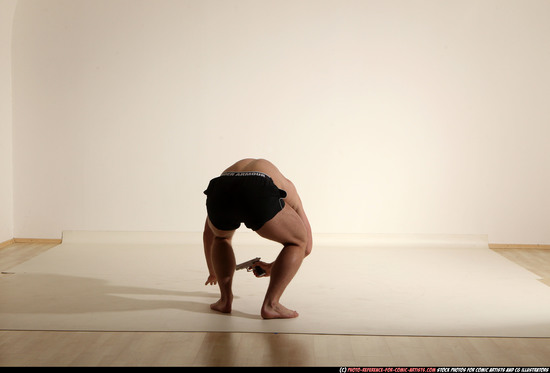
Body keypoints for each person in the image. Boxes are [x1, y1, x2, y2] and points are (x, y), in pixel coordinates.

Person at [202, 158, 312, 319]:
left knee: (221, 238)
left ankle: (224, 300)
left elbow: (209, 233)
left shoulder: (234, 174)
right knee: (298, 241)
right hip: (256, 184)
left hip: (221, 185)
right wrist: (273, 267)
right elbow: (307, 245)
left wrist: (213, 272)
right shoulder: (288, 187)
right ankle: (271, 305)